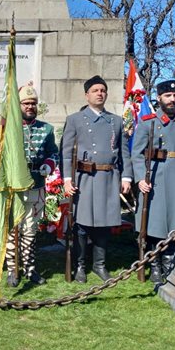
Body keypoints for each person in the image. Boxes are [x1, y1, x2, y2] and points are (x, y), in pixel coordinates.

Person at [62, 75, 132, 283]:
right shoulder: (75, 120)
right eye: (95, 90)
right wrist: (67, 178)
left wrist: (126, 176)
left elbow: (124, 154)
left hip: (109, 177)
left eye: (103, 90)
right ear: (87, 95)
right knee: (82, 224)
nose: (100, 93)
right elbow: (66, 153)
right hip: (84, 178)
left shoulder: (116, 121)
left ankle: (99, 265)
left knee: (104, 223)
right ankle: (81, 265)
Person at [132, 79, 175, 284]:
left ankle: (171, 262)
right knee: (154, 222)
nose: (172, 99)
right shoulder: (148, 122)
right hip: (155, 178)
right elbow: (136, 154)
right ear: (159, 97)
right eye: (168, 96)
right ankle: (155, 264)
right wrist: (139, 179)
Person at [5, 85, 58, 287]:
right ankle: (12, 269)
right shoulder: (10, 128)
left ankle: (29, 268)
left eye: (33, 103)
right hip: (14, 187)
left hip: (36, 184)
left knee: (30, 229)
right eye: (26, 103)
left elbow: (54, 152)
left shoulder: (46, 129)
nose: (30, 106)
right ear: (18, 105)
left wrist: (48, 164)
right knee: (13, 229)